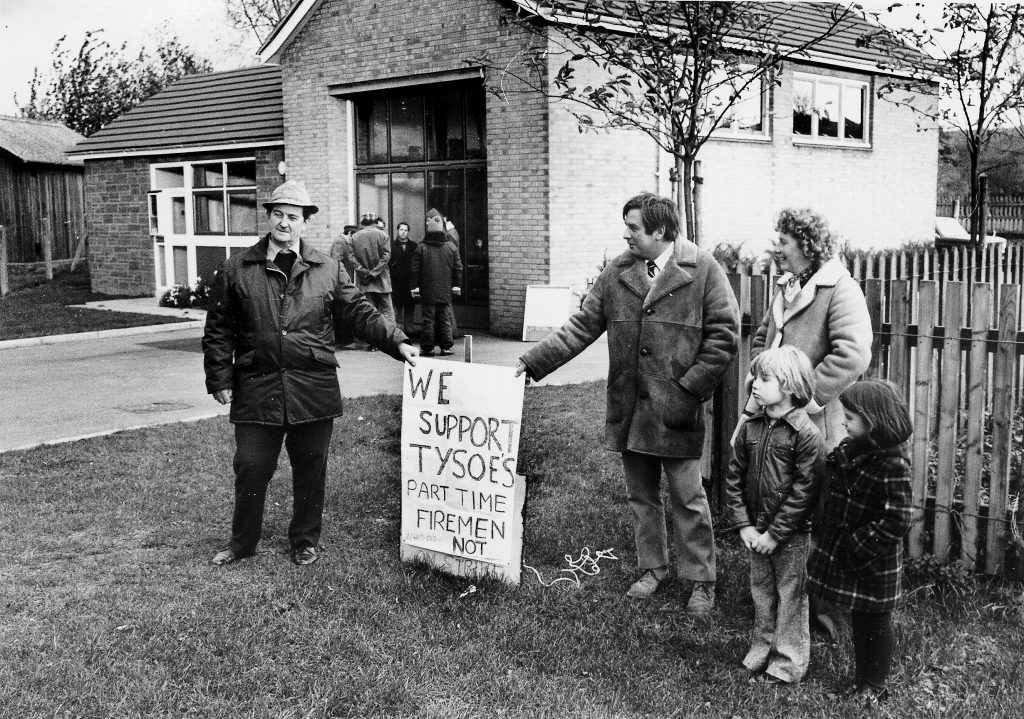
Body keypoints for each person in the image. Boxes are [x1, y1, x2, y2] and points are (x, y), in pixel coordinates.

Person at [516, 192, 739, 613]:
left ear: (661, 231)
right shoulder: (617, 271)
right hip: (630, 409)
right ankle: (652, 568)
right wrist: (532, 362)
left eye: (634, 227)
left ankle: (701, 580)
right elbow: (581, 325)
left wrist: (688, 390)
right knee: (641, 495)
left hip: (677, 411)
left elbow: (724, 336)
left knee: (687, 497)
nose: (626, 234)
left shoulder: (704, 269)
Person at [202, 181, 418, 567]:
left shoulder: (328, 268)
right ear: (269, 217)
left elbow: (361, 313)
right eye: (279, 215)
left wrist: (398, 342)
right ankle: (242, 541)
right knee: (251, 465)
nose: (285, 223)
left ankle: (304, 539)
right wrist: (219, 377)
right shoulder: (237, 268)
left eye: (293, 217)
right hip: (257, 385)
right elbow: (219, 328)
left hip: (312, 386)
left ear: (305, 223)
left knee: (311, 466)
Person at [736, 207, 872, 642]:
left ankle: (824, 617)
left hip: (818, 425)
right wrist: (761, 376)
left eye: (784, 242)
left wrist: (803, 398)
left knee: (816, 518)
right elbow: (763, 338)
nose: (776, 248)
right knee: (778, 508)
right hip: (776, 422)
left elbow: (852, 354)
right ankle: (778, 606)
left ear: (808, 246)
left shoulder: (840, 289)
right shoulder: (785, 287)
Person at [807, 379, 913, 703]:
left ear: (874, 421)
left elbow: (898, 518)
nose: (843, 422)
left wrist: (859, 546)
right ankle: (861, 682)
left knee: (877, 622)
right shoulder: (851, 450)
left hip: (873, 558)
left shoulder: (893, 464)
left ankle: (876, 685)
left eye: (850, 419)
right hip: (853, 554)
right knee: (858, 617)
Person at [725, 346, 825, 684]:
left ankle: (787, 664)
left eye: (764, 378)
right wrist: (744, 526)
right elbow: (734, 479)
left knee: (791, 596)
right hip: (755, 532)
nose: (753, 384)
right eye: (755, 376)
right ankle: (760, 651)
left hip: (790, 536)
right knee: (761, 592)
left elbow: (804, 494)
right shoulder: (751, 428)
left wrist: (774, 534)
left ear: (790, 386)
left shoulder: (806, 435)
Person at [410, 208, 463, 357]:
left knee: (428, 320)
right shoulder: (451, 247)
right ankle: (446, 347)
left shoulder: (421, 247)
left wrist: (414, 288)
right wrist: (456, 286)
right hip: (445, 291)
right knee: (445, 320)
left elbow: (414, 270)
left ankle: (428, 348)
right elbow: (458, 268)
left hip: (428, 291)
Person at [350, 212, 395, 341]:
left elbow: (352, 259)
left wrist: (363, 272)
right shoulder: (383, 235)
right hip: (382, 281)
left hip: (364, 282)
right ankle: (390, 339)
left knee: (369, 311)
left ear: (362, 223)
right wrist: (374, 272)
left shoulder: (354, 237)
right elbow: (386, 257)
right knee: (387, 311)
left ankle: (372, 341)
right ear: (375, 222)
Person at [330, 224, 359, 349]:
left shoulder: (343, 241)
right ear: (350, 234)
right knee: (342, 310)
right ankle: (345, 341)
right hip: (340, 282)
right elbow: (336, 261)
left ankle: (343, 340)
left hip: (343, 280)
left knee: (342, 310)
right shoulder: (340, 242)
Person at [389, 221, 418, 336]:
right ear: (398, 230)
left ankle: (409, 330)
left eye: (406, 230)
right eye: (401, 230)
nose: (403, 232)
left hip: (409, 282)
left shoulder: (414, 246)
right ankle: (396, 331)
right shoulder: (392, 245)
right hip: (397, 282)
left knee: (410, 307)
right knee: (396, 307)